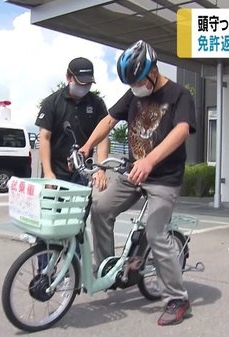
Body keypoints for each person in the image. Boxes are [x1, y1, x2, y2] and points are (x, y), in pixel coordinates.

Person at [78, 40, 196, 326]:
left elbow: (181, 131)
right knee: (100, 207)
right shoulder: (133, 93)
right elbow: (109, 120)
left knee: (157, 234)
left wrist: (150, 160)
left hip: (163, 179)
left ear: (153, 70)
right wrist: (86, 147)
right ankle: (107, 270)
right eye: (131, 83)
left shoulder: (179, 95)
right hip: (133, 174)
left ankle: (177, 299)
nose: (136, 87)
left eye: (140, 80)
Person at [35, 57, 108, 189]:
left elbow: (103, 138)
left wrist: (101, 169)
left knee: (80, 208)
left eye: (88, 84)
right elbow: (44, 138)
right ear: (69, 78)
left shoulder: (97, 104)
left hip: (82, 172)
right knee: (52, 208)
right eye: (80, 83)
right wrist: (48, 173)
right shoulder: (52, 102)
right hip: (55, 172)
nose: (84, 87)